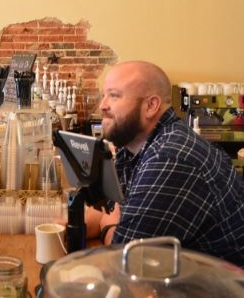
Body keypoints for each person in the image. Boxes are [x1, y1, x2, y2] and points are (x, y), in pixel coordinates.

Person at [86, 60, 244, 268]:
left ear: (151, 106)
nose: (103, 105)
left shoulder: (170, 157)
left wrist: (108, 226)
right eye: (103, 95)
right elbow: (110, 208)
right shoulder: (134, 145)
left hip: (222, 283)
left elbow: (128, 261)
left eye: (114, 96)